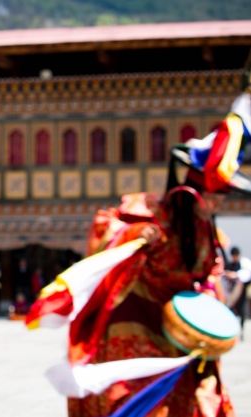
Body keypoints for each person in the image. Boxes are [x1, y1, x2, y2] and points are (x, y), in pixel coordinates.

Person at [66, 59, 251, 417]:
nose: (218, 203)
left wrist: (211, 302)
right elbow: (105, 231)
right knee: (134, 403)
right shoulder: (149, 209)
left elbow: (208, 272)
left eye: (222, 197)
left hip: (181, 331)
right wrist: (136, 234)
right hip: (137, 322)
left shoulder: (208, 229)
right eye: (215, 195)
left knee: (198, 400)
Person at [224, 246, 251, 337]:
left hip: (241, 292)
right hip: (231, 292)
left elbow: (246, 275)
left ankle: (242, 331)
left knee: (242, 311)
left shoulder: (244, 263)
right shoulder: (230, 265)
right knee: (230, 311)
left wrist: (235, 275)